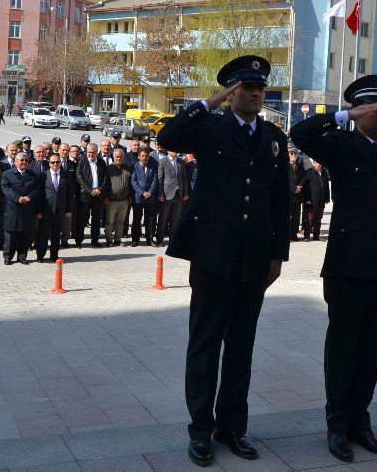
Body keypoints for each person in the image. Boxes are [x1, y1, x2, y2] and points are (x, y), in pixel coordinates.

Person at [157, 55, 290, 466]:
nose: (254, 93)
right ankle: (200, 431)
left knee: (241, 347)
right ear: (231, 93)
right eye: (245, 87)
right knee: (205, 345)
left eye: (259, 88)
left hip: (254, 258)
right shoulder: (210, 127)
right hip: (213, 256)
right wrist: (210, 102)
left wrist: (277, 253)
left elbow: (278, 198)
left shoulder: (272, 136)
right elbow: (168, 137)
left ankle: (231, 427)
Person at [290, 74, 377, 462]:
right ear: (361, 110)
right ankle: (337, 425)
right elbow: (301, 131)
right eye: (376, 107)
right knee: (344, 348)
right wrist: (344, 114)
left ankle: (360, 421)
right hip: (350, 267)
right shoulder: (341, 145)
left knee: (372, 349)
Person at [1, 152, 41, 265]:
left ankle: (22, 256)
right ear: (15, 161)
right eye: (21, 160)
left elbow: (37, 189)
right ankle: (8, 256)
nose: (24, 162)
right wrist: (17, 198)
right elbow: (5, 188)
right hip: (13, 208)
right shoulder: (7, 174)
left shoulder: (33, 175)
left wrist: (29, 197)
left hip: (27, 208)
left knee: (25, 233)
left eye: (26, 160)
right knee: (11, 234)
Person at [36, 150, 72, 262]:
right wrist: (39, 210)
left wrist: (69, 209)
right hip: (46, 210)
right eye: (53, 162)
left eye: (57, 162)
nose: (55, 164)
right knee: (43, 234)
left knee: (56, 234)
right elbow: (39, 194)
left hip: (59, 210)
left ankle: (54, 255)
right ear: (49, 164)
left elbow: (70, 193)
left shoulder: (66, 175)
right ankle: (40, 256)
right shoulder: (43, 176)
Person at [75, 143, 110, 248]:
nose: (91, 154)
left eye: (93, 152)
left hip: (98, 195)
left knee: (96, 219)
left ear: (97, 152)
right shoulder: (82, 161)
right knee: (83, 219)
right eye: (89, 152)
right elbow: (79, 176)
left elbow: (106, 178)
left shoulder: (101, 162)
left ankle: (95, 240)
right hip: (86, 195)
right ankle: (78, 241)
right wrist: (90, 190)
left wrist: (99, 189)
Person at [155, 143, 188, 247]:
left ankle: (172, 240)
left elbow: (184, 179)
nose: (175, 151)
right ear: (168, 151)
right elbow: (160, 179)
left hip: (178, 194)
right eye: (173, 150)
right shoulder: (163, 161)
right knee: (163, 218)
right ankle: (160, 239)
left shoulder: (181, 162)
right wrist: (160, 194)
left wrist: (185, 193)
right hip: (166, 194)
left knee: (175, 219)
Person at [130, 148, 158, 248]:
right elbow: (133, 181)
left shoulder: (152, 166)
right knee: (137, 219)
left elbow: (155, 180)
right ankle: (135, 240)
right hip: (138, 198)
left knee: (149, 220)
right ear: (138, 157)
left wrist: (150, 192)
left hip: (150, 198)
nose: (144, 158)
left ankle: (149, 239)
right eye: (142, 156)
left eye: (146, 156)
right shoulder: (134, 166)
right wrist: (142, 192)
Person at [103, 147, 131, 246]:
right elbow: (105, 184)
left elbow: (130, 183)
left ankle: (117, 239)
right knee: (110, 222)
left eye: (120, 157)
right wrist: (105, 196)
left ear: (123, 157)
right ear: (113, 156)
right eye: (117, 157)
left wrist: (129, 196)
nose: (118, 158)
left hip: (124, 200)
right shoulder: (108, 168)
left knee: (120, 222)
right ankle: (108, 239)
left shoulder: (127, 168)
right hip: (111, 200)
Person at [301, 159, 331, 241]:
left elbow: (326, 187)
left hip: (321, 200)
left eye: (320, 163)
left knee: (318, 219)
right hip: (311, 200)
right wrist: (307, 198)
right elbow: (306, 188)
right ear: (314, 163)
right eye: (317, 163)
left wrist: (327, 198)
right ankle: (306, 236)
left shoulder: (324, 172)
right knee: (309, 219)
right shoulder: (309, 172)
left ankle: (316, 236)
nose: (319, 165)